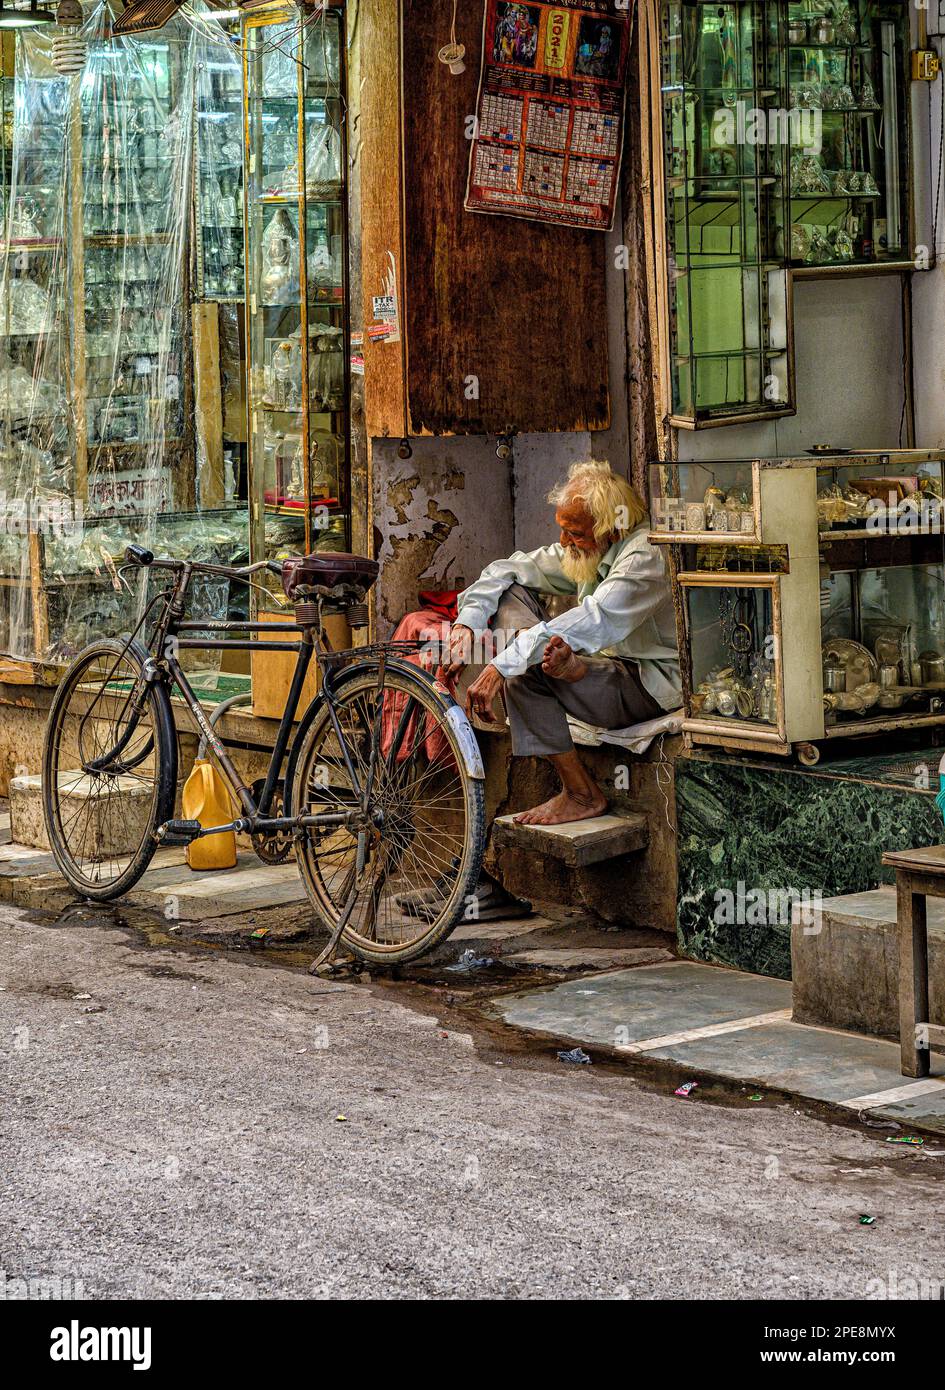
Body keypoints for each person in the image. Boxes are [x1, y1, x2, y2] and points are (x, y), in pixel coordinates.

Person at [443, 460, 681, 827]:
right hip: (601, 668)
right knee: (511, 590)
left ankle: (581, 794)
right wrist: (466, 627)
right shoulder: (588, 548)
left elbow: (596, 618)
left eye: (575, 533)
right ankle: (550, 659)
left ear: (611, 530)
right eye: (563, 531)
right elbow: (503, 569)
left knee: (524, 675)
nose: (564, 542)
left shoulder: (646, 557)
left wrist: (502, 665)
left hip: (648, 684)